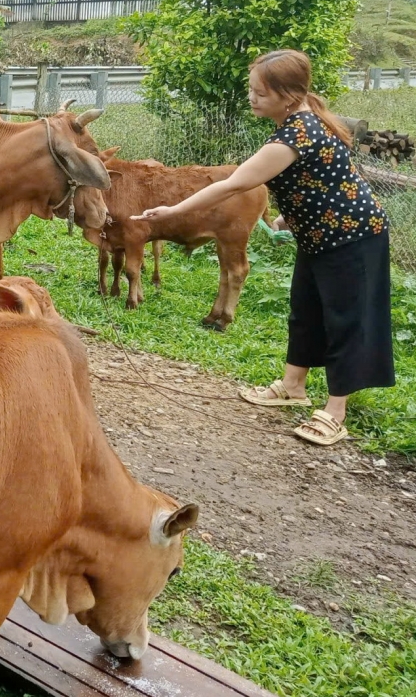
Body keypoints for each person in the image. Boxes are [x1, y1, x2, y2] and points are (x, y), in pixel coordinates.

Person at [133, 49, 393, 445]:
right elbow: (325, 175)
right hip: (319, 235)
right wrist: (292, 214)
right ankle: (293, 386)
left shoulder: (295, 134)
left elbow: (234, 183)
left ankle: (335, 411)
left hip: (353, 237)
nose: (252, 98)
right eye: (251, 89)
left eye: (260, 92)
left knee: (345, 319)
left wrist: (174, 210)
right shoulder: (304, 121)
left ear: (288, 95)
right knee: (305, 310)